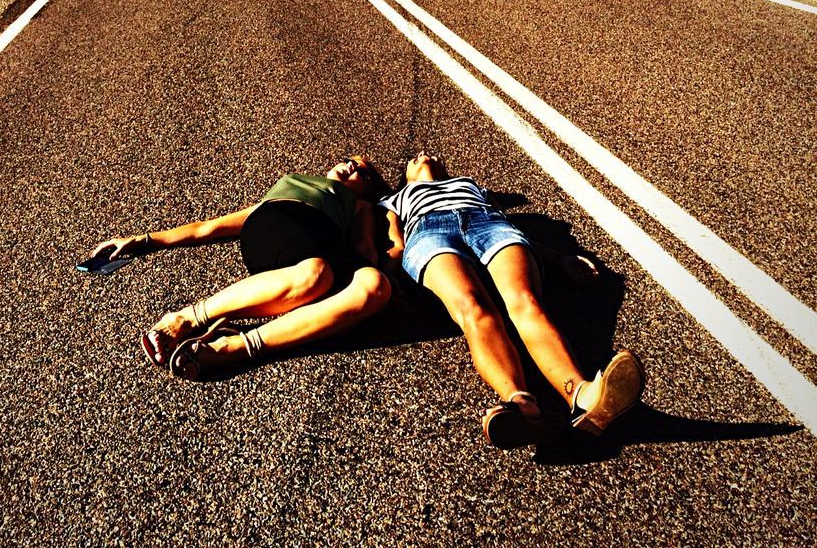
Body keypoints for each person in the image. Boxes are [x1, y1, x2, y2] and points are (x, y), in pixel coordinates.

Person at [382, 151, 645, 449]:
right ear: (404, 174)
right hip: (428, 232)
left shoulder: (470, 185)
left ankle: (583, 396)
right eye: (415, 157)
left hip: (488, 224)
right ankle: (520, 405)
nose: (423, 154)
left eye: (430, 154)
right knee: (473, 307)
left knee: (524, 300)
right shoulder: (395, 198)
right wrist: (390, 281)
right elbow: (396, 244)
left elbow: (512, 225)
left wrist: (560, 258)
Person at [90, 155, 392, 379]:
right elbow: (208, 228)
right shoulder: (292, 183)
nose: (352, 166)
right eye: (348, 160)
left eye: (363, 172)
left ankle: (234, 348)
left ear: (367, 189)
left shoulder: (359, 206)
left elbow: (365, 248)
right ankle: (187, 318)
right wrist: (143, 240)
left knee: (376, 286)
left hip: (327, 245)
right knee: (316, 274)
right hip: (279, 229)